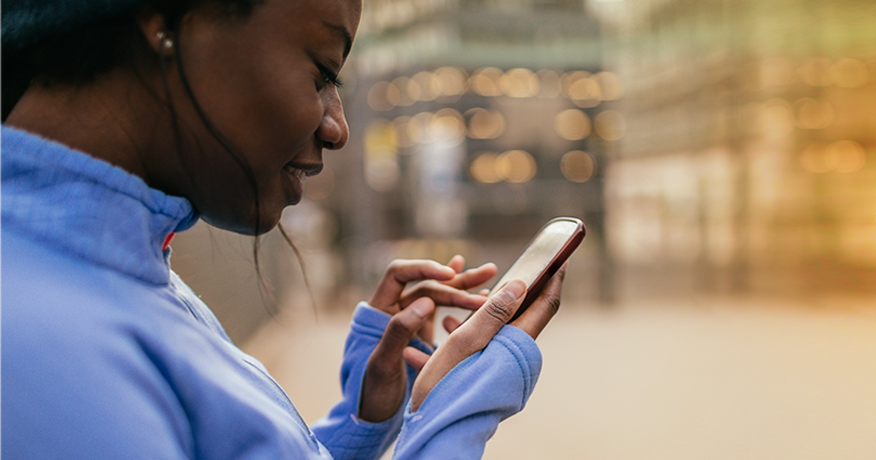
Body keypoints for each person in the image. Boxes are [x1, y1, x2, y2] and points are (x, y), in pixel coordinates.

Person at [0, 0, 565, 458]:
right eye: (322, 71)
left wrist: (363, 422)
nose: (338, 127)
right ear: (166, 25)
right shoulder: (33, 345)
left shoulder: (118, 266)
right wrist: (451, 420)